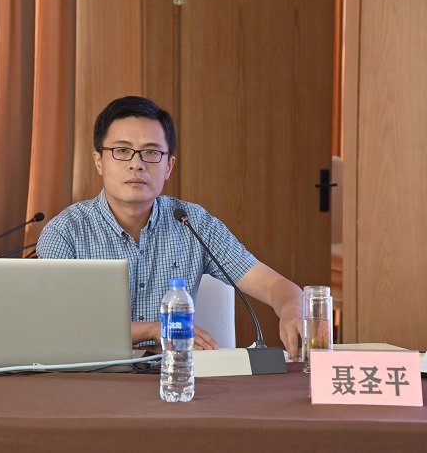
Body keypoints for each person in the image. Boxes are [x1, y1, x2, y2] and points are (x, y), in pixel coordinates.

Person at [36, 96, 303, 360]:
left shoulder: (193, 223)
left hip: (174, 374)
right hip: (92, 377)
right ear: (99, 161)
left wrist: (292, 308)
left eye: (151, 152)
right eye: (122, 151)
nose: (136, 164)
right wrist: (154, 330)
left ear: (169, 166)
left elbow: (274, 285)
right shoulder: (65, 231)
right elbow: (55, 325)